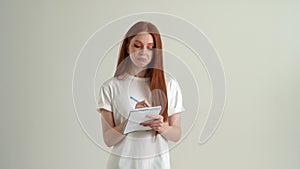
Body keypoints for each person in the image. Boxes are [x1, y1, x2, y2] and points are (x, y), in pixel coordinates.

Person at [97, 21, 184, 169]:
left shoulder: (169, 85)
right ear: (127, 47)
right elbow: (108, 139)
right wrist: (132, 122)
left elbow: (176, 135)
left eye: (150, 48)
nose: (143, 52)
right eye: (138, 46)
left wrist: (161, 127)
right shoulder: (110, 87)